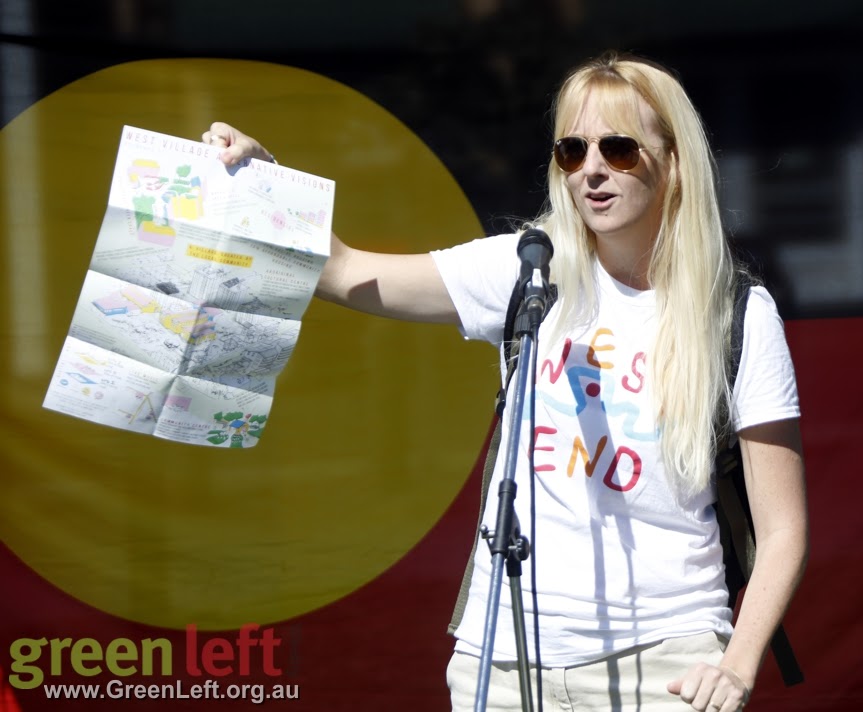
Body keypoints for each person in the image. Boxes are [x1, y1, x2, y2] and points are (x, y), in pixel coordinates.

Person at [202, 51, 808, 712]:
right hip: (504, 661)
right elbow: (347, 274)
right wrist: (263, 183)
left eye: (618, 149)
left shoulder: (735, 313)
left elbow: (781, 529)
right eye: (572, 151)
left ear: (673, 161)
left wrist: (737, 663)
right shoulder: (528, 270)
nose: (593, 169)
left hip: (663, 662)